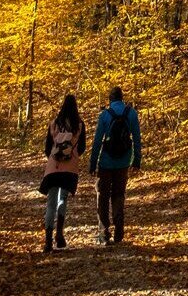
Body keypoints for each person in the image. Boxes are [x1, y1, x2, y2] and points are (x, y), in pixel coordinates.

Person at [88, 86, 142, 246]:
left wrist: (92, 163)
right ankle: (119, 226)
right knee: (119, 194)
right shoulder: (131, 113)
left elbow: (98, 141)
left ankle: (104, 232)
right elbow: (137, 138)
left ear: (110, 100)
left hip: (106, 162)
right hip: (124, 161)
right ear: (122, 98)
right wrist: (137, 160)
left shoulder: (105, 115)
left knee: (102, 195)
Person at [38, 95, 85, 253]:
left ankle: (47, 241)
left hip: (53, 168)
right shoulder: (79, 125)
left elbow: (47, 148)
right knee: (62, 200)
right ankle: (60, 234)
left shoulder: (54, 124)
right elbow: (83, 147)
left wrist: (55, 157)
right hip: (70, 169)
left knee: (50, 204)